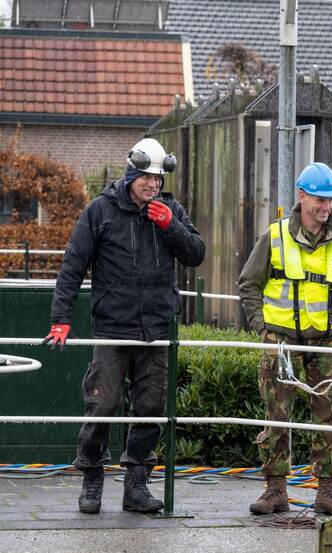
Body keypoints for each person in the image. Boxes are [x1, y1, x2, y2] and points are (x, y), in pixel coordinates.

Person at [43, 137, 205, 514]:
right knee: (102, 405)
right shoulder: (100, 211)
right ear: (131, 174)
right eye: (146, 177)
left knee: (149, 409)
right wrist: (61, 319)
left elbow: (196, 253)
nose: (152, 185)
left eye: (158, 179)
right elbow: (72, 266)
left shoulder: (170, 209)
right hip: (113, 329)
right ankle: (92, 477)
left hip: (156, 330)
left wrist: (171, 227)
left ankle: (136, 484)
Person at [238, 162, 332, 516]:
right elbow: (248, 282)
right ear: (302, 196)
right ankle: (275, 489)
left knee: (328, 416)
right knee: (277, 414)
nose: (325, 207)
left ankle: (328, 491)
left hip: (327, 342)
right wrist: (261, 327)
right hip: (282, 340)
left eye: (330, 200)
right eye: (319, 199)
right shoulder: (275, 235)